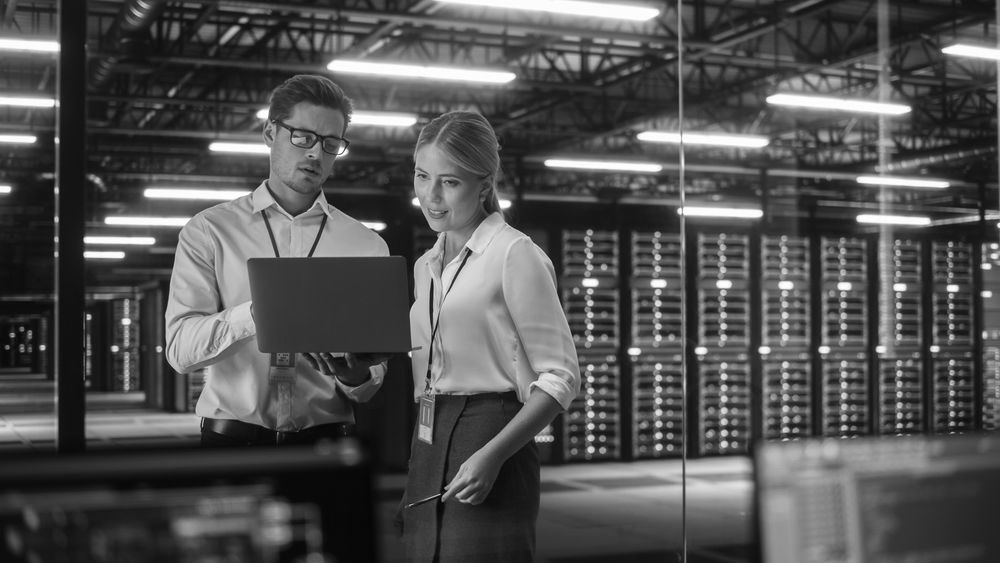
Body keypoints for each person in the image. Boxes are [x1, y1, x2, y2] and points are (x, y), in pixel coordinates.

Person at [165, 74, 389, 447]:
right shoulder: (209, 231)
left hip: (327, 447)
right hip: (231, 445)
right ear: (270, 133)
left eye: (331, 143)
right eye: (303, 137)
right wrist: (258, 313)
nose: (316, 154)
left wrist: (356, 375)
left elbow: (368, 388)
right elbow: (180, 353)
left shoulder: (366, 245)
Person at [398, 111, 581, 561]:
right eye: (423, 176)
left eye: (450, 182)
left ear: (483, 185)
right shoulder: (427, 267)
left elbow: (560, 378)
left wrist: (493, 455)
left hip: (492, 433)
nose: (431, 196)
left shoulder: (514, 254)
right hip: (428, 433)